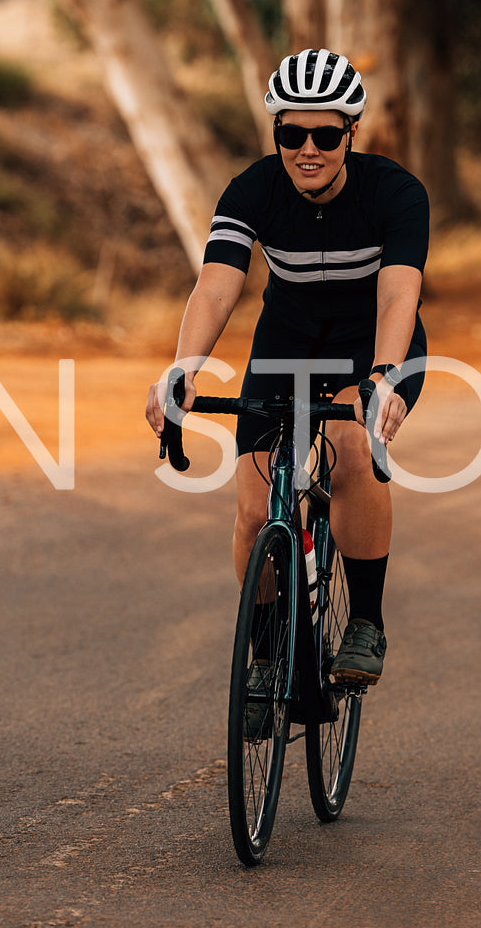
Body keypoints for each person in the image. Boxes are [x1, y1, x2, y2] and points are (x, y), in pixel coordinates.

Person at [145, 48, 428, 685]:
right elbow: (217, 287)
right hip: (288, 340)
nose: (308, 149)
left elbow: (397, 294)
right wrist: (183, 368)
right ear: (275, 132)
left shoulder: (396, 193)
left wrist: (382, 376)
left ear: (351, 134)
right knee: (252, 507)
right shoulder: (252, 191)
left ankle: (365, 624)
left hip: (373, 340)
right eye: (290, 133)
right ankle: (269, 656)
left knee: (352, 447)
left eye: (325, 135)